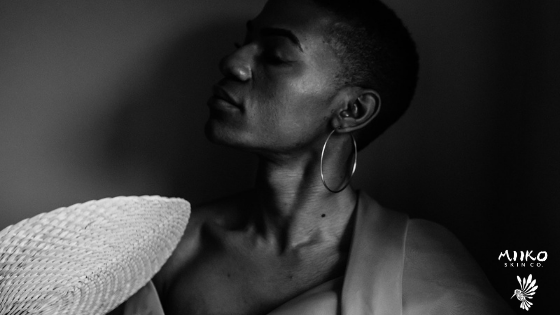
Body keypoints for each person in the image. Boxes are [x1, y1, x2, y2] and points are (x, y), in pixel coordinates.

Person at [110, 0, 513, 314]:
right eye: (243, 44)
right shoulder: (171, 250)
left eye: (276, 56)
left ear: (351, 111)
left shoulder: (427, 268)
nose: (232, 63)